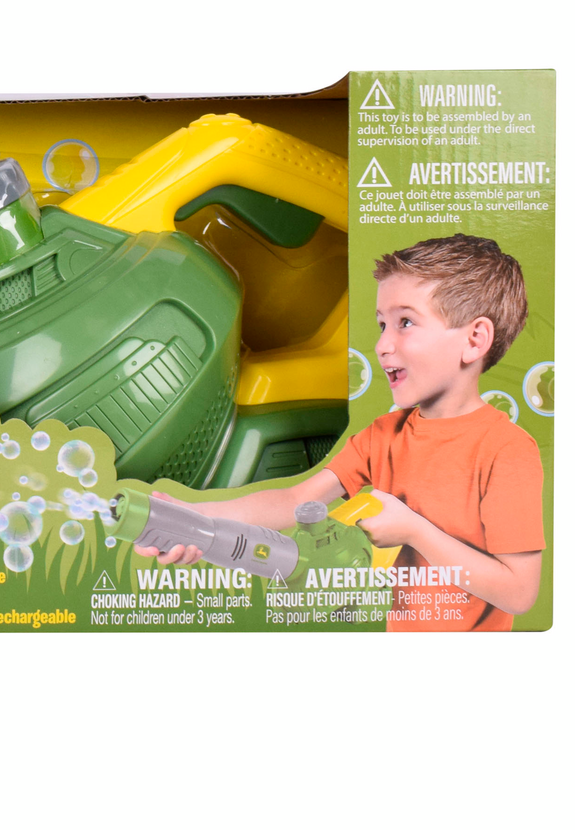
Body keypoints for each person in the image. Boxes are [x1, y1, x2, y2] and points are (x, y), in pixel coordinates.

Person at [138, 234, 545, 630]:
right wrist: (194, 516)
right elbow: (295, 501)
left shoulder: (507, 451)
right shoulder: (384, 435)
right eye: (382, 324)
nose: (382, 345)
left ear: (474, 340)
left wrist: (414, 530)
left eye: (405, 322)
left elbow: (519, 593)